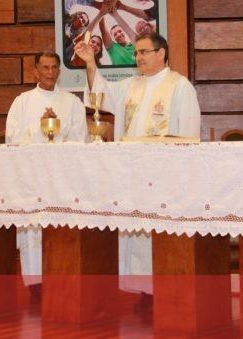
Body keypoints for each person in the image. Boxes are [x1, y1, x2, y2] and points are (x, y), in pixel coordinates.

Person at [74, 32, 201, 305]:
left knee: (160, 231)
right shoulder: (131, 85)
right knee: (137, 233)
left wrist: (180, 171)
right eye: (137, 53)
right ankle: (145, 291)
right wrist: (90, 63)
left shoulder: (180, 86)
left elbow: (189, 133)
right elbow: (102, 97)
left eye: (144, 52)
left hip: (165, 175)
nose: (138, 57)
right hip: (133, 173)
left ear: (161, 54)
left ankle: (167, 289)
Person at [5, 51, 87, 301]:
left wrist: (58, 126)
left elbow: (82, 139)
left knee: (61, 227)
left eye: (54, 68)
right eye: (45, 68)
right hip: (32, 177)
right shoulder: (23, 102)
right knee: (33, 229)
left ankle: (64, 279)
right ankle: (35, 286)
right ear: (35, 71)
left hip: (63, 178)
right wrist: (40, 127)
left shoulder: (72, 102)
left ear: (59, 72)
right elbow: (11, 138)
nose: (50, 72)